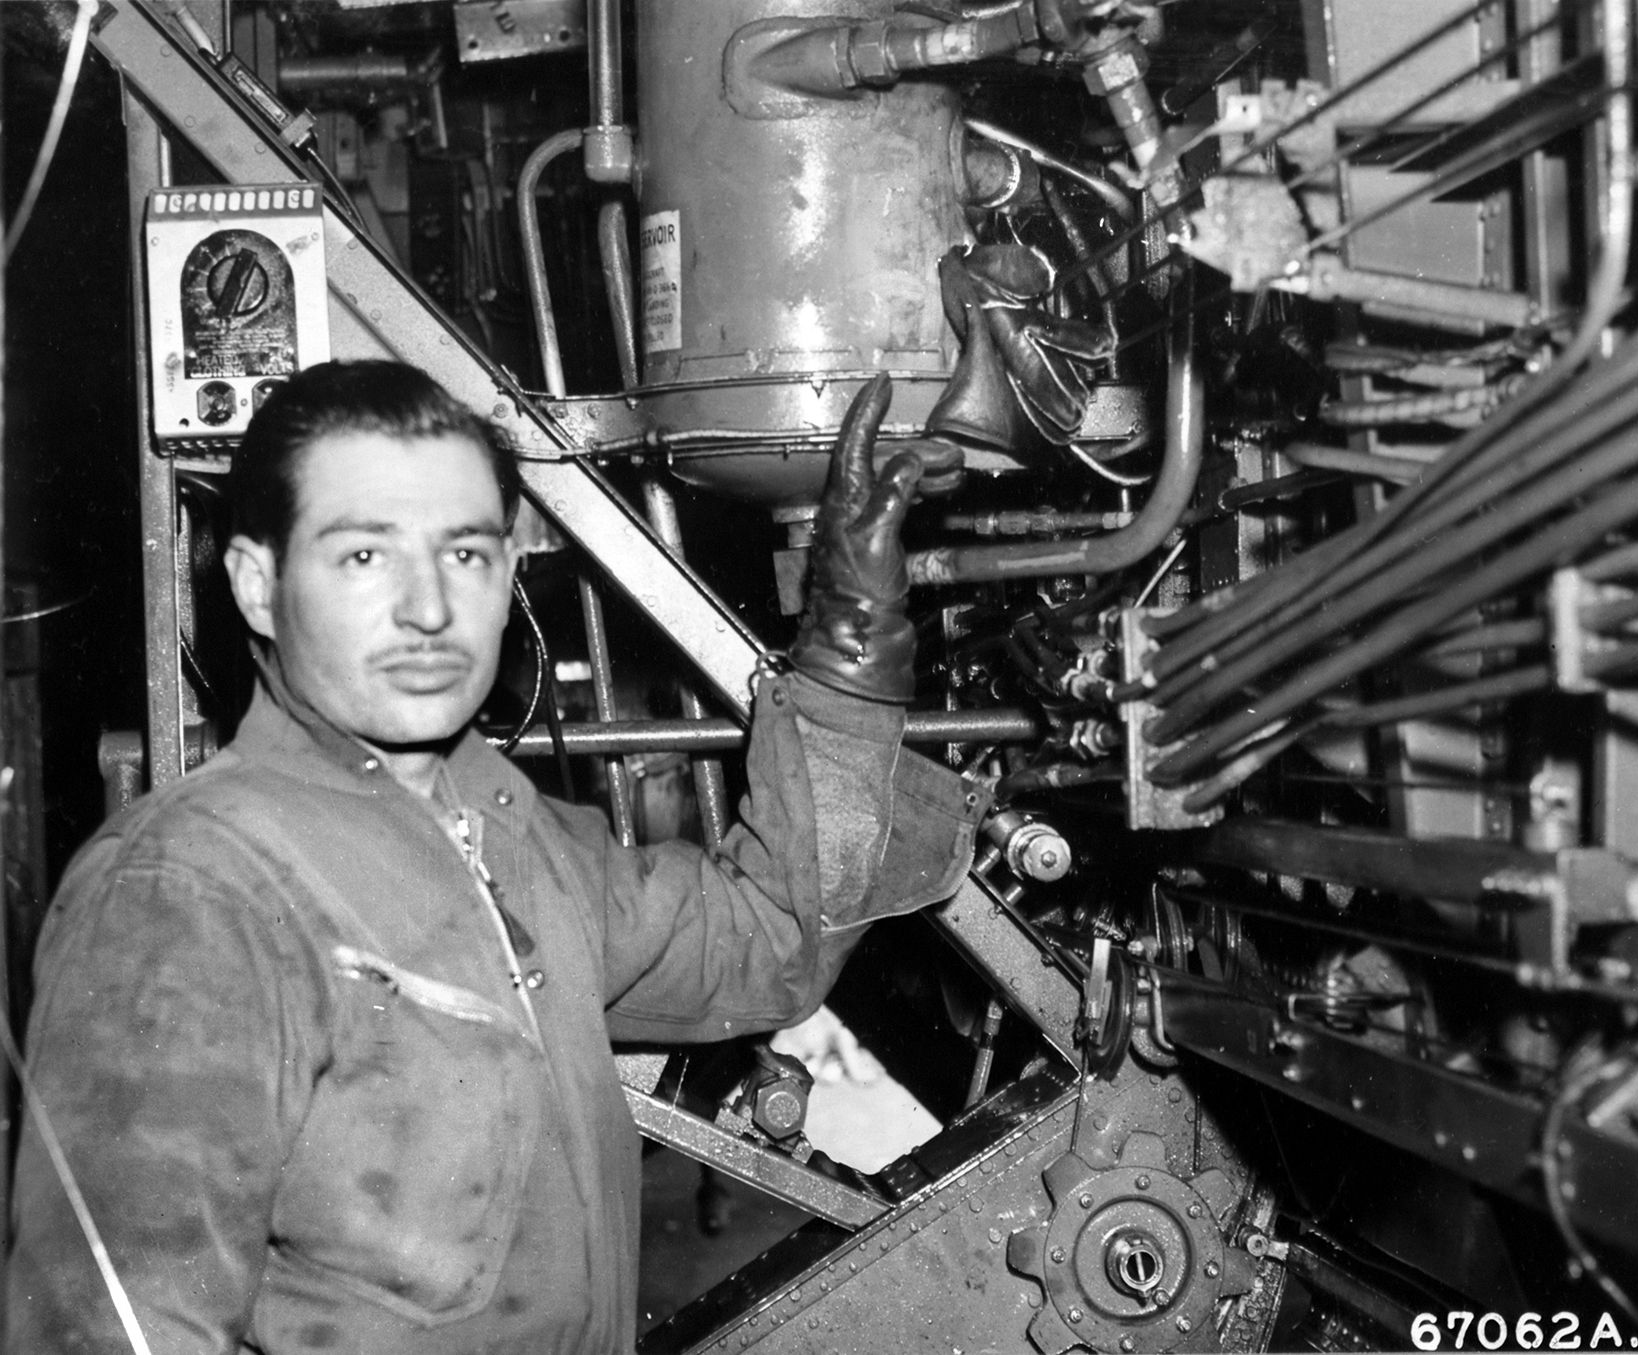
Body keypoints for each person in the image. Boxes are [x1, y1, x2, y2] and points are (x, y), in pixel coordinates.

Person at [5, 360, 984, 1353]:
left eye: (465, 553)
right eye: (363, 557)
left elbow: (760, 940)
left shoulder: (509, 833)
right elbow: (106, 1332)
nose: (429, 609)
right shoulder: (190, 889)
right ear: (258, 584)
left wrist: (848, 642)